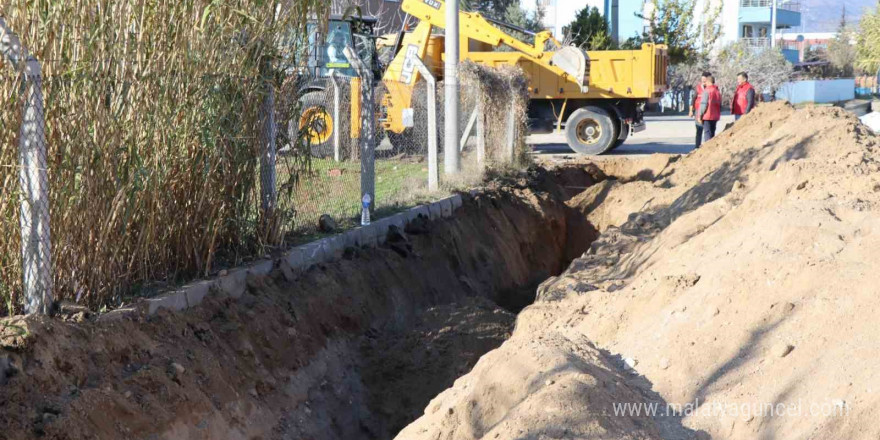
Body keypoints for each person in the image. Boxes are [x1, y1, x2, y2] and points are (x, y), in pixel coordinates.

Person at [697, 74, 722, 144]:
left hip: (707, 116)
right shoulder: (717, 91)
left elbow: (703, 104)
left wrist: (700, 115)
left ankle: (708, 148)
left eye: (705, 82)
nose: (704, 84)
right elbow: (720, 105)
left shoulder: (707, 90)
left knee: (707, 133)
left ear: (708, 82)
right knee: (713, 132)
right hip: (715, 116)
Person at [689, 72, 710, 148]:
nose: (703, 81)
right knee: (699, 129)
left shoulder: (711, 88)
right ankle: (697, 146)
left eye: (705, 80)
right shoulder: (698, 88)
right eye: (702, 80)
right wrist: (691, 110)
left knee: (707, 130)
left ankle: (707, 146)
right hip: (698, 111)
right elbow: (693, 99)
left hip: (708, 111)